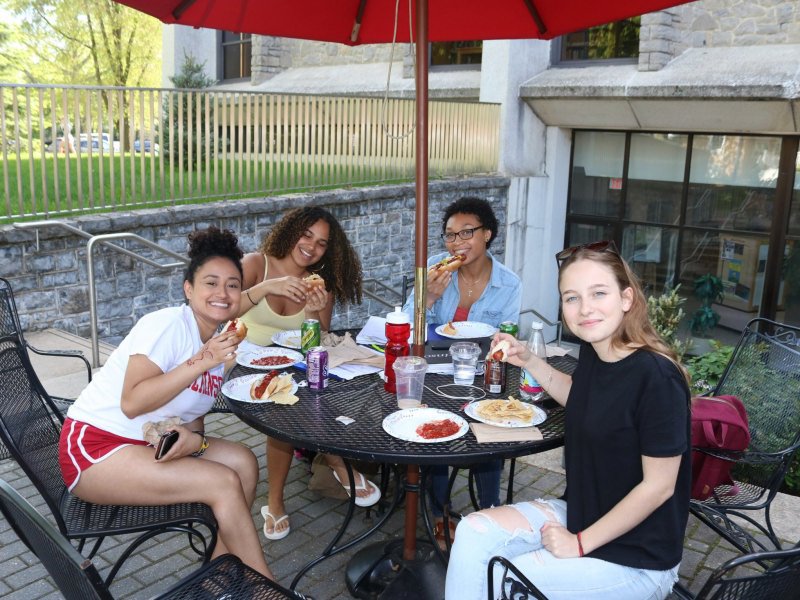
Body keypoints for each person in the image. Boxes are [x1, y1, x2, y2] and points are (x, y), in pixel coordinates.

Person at [445, 240, 691, 600]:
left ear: (626, 298)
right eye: (572, 297)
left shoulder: (657, 377)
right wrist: (529, 361)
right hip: (582, 513)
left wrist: (578, 543)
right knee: (471, 532)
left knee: (506, 581)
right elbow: (582, 398)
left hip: (638, 556)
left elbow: (659, 487)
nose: (585, 308)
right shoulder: (596, 350)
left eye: (598, 293)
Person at [58, 226, 273, 579]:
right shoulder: (167, 325)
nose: (222, 293)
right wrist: (202, 360)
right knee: (221, 481)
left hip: (150, 445)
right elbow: (132, 403)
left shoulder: (217, 344)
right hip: (96, 450)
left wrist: (196, 442)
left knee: (244, 462)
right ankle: (266, 589)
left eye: (233, 285)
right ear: (189, 288)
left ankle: (216, 577)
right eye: (211, 282)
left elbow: (191, 417)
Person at [238, 206, 380, 541]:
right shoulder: (256, 264)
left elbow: (314, 344)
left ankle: (276, 503)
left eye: (321, 243)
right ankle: (335, 462)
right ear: (290, 232)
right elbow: (222, 307)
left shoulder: (319, 286)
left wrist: (314, 311)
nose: (312, 247)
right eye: (306, 235)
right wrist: (267, 287)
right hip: (242, 362)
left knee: (307, 390)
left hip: (289, 366)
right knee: (286, 403)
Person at [402, 196, 522, 545]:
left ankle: (490, 510)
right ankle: (439, 514)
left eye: (467, 232)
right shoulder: (436, 268)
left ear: (487, 234)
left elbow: (506, 339)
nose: (457, 242)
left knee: (490, 434)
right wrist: (428, 298)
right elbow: (407, 328)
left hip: (483, 374)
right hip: (435, 372)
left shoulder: (509, 283)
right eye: (451, 235)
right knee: (435, 432)